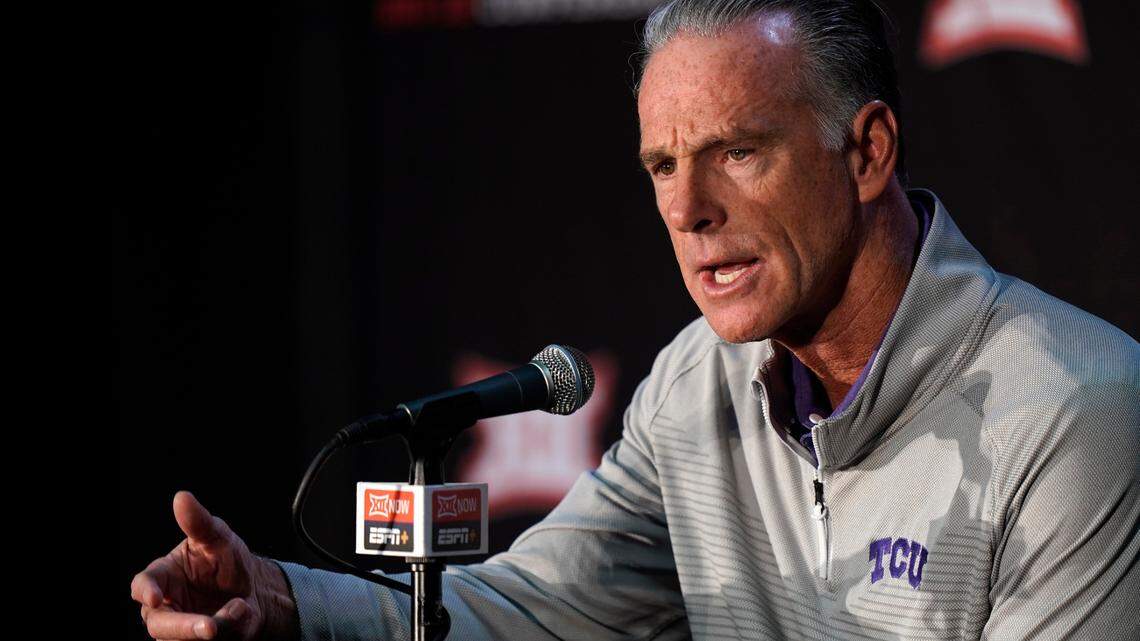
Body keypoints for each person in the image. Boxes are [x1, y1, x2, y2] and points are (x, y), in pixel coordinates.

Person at [131, 1, 1140, 639]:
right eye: (663, 163)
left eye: (739, 150)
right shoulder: (695, 387)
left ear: (868, 152)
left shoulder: (1072, 409)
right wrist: (281, 596)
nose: (687, 209)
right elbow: (521, 607)